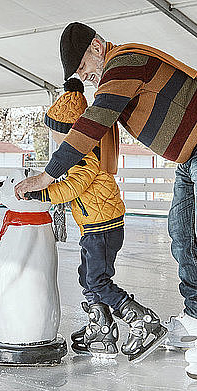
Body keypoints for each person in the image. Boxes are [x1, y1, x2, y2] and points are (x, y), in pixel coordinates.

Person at [15, 22, 197, 379]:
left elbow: (94, 122)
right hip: (192, 151)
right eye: (79, 74)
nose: (84, 76)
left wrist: (48, 174)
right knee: (182, 233)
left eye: (83, 66)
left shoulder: (125, 62)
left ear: (97, 47)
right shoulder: (115, 72)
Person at [25, 77, 166, 362]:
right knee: (87, 277)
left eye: (57, 134)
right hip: (95, 227)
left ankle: (142, 320)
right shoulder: (81, 155)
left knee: (98, 280)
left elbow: (72, 188)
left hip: (103, 228)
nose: (55, 140)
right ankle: (101, 328)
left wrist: (41, 194)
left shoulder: (85, 157)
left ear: (71, 134)